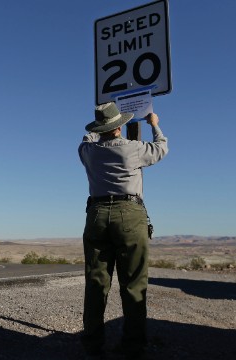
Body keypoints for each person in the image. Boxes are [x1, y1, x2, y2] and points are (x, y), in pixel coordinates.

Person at [78, 102, 168, 359]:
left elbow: (86, 139)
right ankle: (133, 346)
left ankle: (93, 345)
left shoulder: (88, 152)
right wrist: (154, 124)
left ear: (100, 127)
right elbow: (162, 148)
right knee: (133, 284)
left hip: (96, 215)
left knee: (96, 283)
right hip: (129, 214)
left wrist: (95, 131)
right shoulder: (133, 149)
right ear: (118, 128)